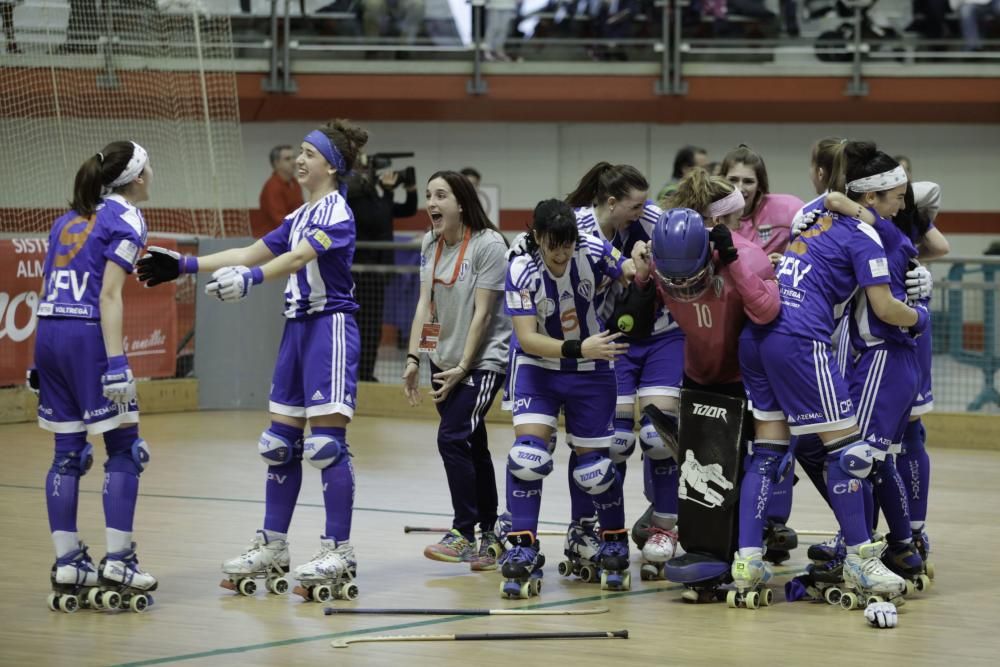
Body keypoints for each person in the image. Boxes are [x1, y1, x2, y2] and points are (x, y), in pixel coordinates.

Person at [137, 119, 369, 602]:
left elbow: (294, 261)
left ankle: (339, 550)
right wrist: (183, 266)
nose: (299, 159)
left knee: (326, 445)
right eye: (299, 152)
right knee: (279, 444)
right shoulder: (301, 214)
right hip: (297, 330)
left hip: (329, 328)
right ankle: (273, 546)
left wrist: (252, 280)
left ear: (331, 164)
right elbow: (253, 249)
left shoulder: (337, 214)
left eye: (308, 152)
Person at [738, 142, 925, 607]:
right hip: (800, 339)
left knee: (768, 453)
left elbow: (833, 202)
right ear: (871, 199)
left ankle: (747, 560)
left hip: (756, 337)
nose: (903, 206)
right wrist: (921, 318)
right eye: (896, 197)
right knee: (849, 454)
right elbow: (883, 307)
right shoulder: (865, 238)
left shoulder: (815, 214)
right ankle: (863, 558)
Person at [632, 169, 781, 599]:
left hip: (746, 379)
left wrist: (732, 263)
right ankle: (704, 549)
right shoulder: (667, 258)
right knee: (700, 473)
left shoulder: (749, 256)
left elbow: (768, 314)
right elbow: (639, 325)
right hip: (697, 375)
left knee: (757, 464)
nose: (681, 286)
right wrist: (643, 279)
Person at [35, 140, 157, 612]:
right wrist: (117, 364)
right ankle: (120, 560)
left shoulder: (66, 219)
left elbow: (48, 286)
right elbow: (109, 296)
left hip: (49, 335)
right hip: (88, 340)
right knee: (125, 447)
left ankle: (69, 562)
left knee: (67, 453)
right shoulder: (125, 218)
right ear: (138, 178)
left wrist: (36, 363)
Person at [501, 198, 632, 597]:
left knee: (594, 467)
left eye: (568, 243)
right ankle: (522, 544)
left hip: (591, 373)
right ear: (538, 237)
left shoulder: (590, 248)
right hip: (540, 367)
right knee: (528, 456)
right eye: (554, 243)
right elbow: (527, 338)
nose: (562, 252)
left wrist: (638, 263)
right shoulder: (521, 269)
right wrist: (579, 349)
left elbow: (629, 270)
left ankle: (613, 538)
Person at [564, 162, 684, 579]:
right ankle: (590, 527)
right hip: (610, 341)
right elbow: (613, 265)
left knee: (658, 436)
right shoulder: (582, 226)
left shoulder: (650, 218)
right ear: (612, 203)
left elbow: (680, 235)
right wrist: (632, 264)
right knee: (608, 441)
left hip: (663, 337)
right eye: (634, 205)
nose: (642, 210)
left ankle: (665, 527)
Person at [403, 171, 511, 571]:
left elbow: (483, 316)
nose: (432, 202)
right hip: (441, 359)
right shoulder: (429, 243)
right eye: (428, 195)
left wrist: (465, 367)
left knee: (452, 439)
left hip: (481, 361)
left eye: (441, 195)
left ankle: (464, 532)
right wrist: (415, 359)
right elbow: (422, 305)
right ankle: (491, 534)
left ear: (461, 203)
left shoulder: (489, 245)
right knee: (472, 446)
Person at [348, 162, 418, 382]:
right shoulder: (356, 201)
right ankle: (355, 372)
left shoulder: (377, 200)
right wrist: (388, 192)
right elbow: (377, 219)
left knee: (372, 326)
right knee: (359, 325)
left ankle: (366, 372)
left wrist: (411, 187)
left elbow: (408, 209)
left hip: (377, 274)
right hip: (360, 273)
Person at [721, 145, 804, 264]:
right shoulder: (712, 217)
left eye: (748, 181)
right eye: (733, 180)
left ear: (760, 184)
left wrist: (789, 261)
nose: (739, 188)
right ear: (722, 181)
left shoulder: (788, 209)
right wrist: (762, 265)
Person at [257, 145, 304, 238]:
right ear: (276, 163)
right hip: (273, 239)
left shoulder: (295, 183)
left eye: (294, 157)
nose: (293, 162)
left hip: (291, 233)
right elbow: (279, 220)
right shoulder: (273, 187)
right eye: (287, 159)